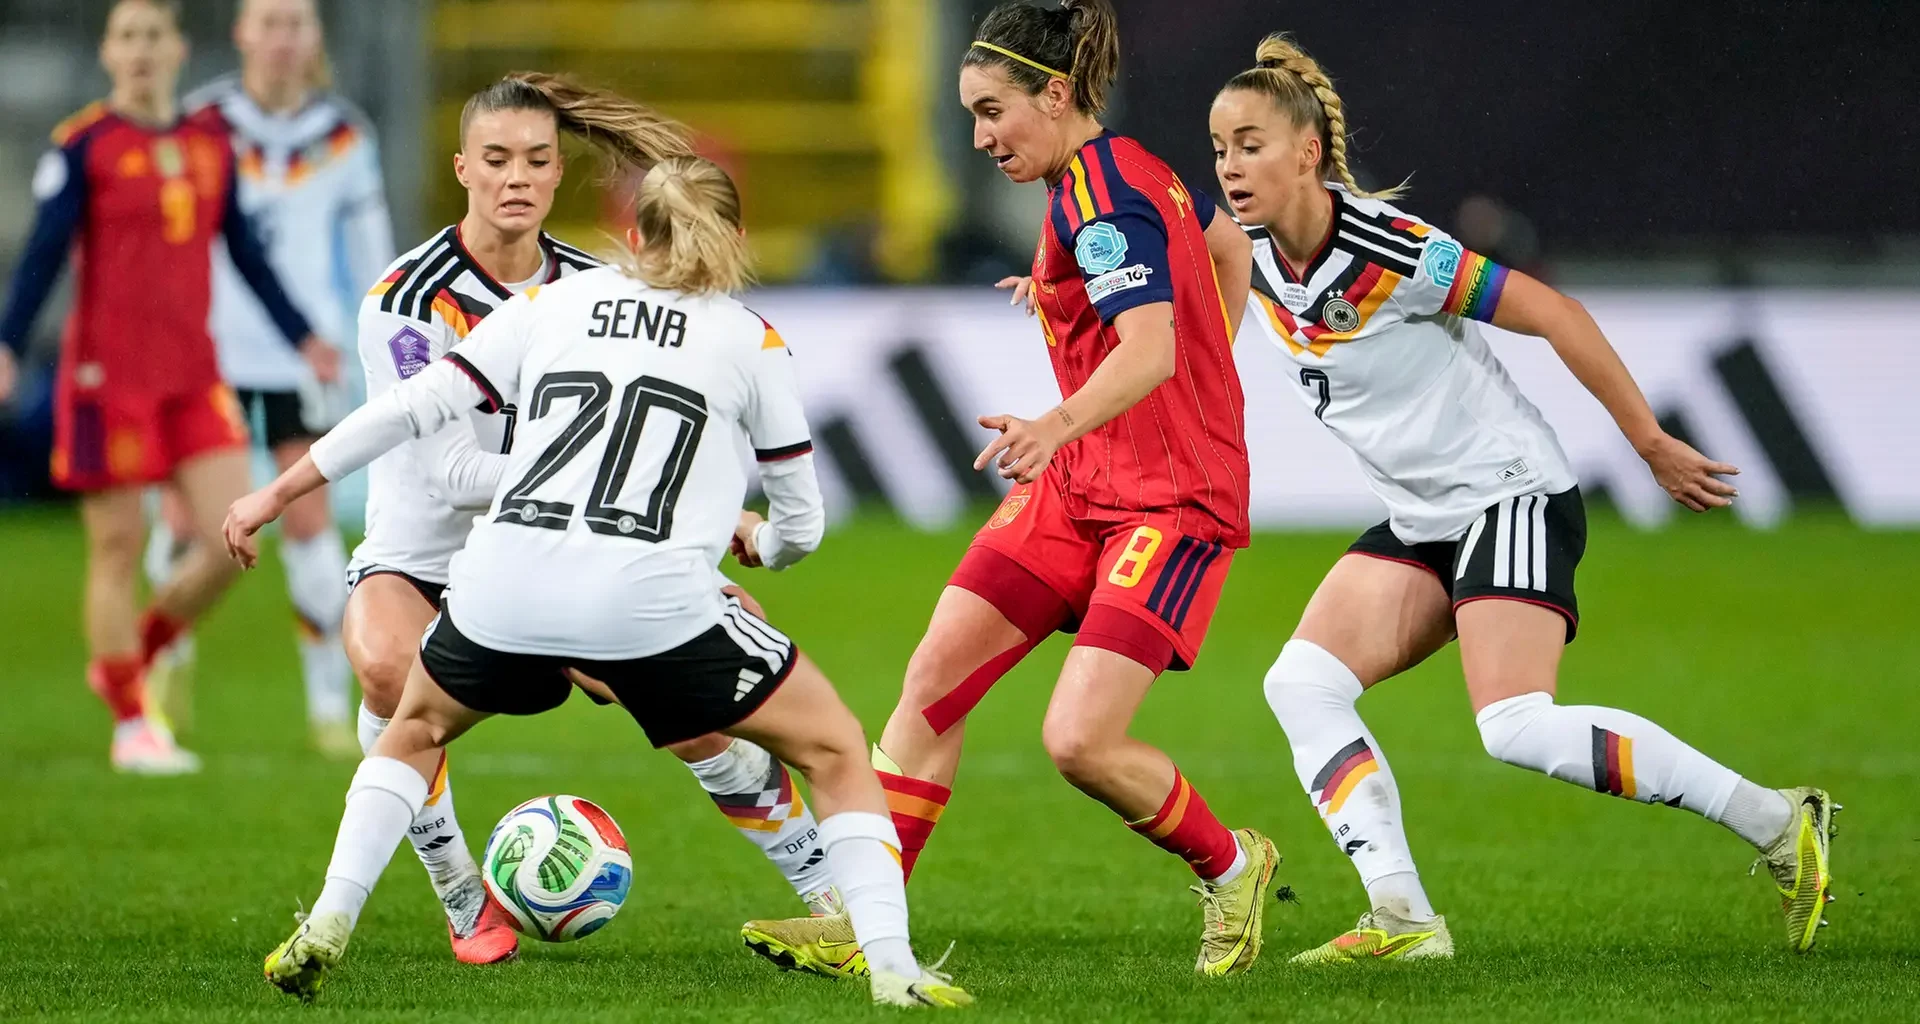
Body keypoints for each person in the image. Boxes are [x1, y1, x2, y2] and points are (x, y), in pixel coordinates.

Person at [225, 151, 972, 1008]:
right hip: (647, 607)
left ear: (628, 234)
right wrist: (762, 545)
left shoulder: (553, 300)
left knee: (412, 728)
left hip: (503, 586)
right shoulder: (749, 337)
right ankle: (892, 970)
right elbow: (802, 524)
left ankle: (325, 922)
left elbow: (408, 409)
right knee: (836, 747)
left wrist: (276, 493)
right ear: (734, 237)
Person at [1211, 33, 1836, 961]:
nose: (1229, 166)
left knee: (1515, 728)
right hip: (1425, 516)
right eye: (1219, 147)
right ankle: (1405, 921)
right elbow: (1168, 306)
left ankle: (1780, 823)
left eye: (1250, 143)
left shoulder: (1393, 249)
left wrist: (1650, 442)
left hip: (1509, 495)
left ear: (1307, 152)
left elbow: (1556, 314)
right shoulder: (1243, 249)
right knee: (1301, 684)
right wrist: (1060, 288)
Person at [744, 0, 1279, 980]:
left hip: (1168, 501)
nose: (982, 137)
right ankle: (873, 927)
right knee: (932, 686)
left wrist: (1070, 419)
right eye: (971, 115)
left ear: (1057, 92)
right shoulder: (1121, 171)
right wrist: (1193, 358)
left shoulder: (1098, 201)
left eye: (994, 112)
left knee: (1079, 740)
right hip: (1082, 485)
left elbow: (1152, 346)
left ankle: (1234, 863)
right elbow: (1228, 248)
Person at [330, 73, 840, 966]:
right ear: (463, 169)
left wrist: (680, 524)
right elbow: (447, 474)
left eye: (535, 160)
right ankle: (461, 896)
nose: (515, 178)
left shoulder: (594, 287)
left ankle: (824, 890)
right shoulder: (408, 300)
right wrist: (589, 488)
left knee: (700, 713)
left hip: (559, 547)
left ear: (559, 172)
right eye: (495, 160)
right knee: (384, 668)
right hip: (428, 548)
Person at [0, 0, 333, 774]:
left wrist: (301, 336)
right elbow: (43, 255)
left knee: (231, 538)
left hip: (193, 375)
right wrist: (9, 344)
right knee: (116, 547)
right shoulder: (84, 146)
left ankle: (132, 659)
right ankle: (130, 725)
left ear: (179, 49)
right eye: (126, 37)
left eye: (154, 36)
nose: (141, 50)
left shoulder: (209, 140)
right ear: (110, 53)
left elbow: (245, 249)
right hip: (106, 380)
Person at [143, 0, 396, 755]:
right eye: (271, 21)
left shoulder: (345, 134)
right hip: (205, 349)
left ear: (314, 37)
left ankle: (327, 706)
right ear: (242, 33)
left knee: (310, 522)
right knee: (186, 522)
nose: (285, 37)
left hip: (303, 351)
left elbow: (374, 251)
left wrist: (367, 342)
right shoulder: (199, 121)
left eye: (298, 23)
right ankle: (166, 670)